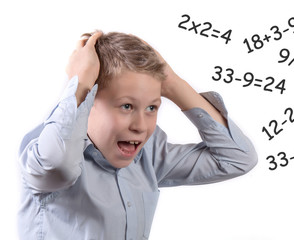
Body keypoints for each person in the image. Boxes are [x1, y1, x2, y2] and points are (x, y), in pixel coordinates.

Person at [17, 31, 258, 240]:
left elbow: (238, 158)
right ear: (90, 101)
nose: (141, 126)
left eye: (152, 108)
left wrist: (172, 83)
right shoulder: (45, 154)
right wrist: (79, 85)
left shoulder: (148, 154)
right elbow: (59, 166)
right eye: (126, 106)